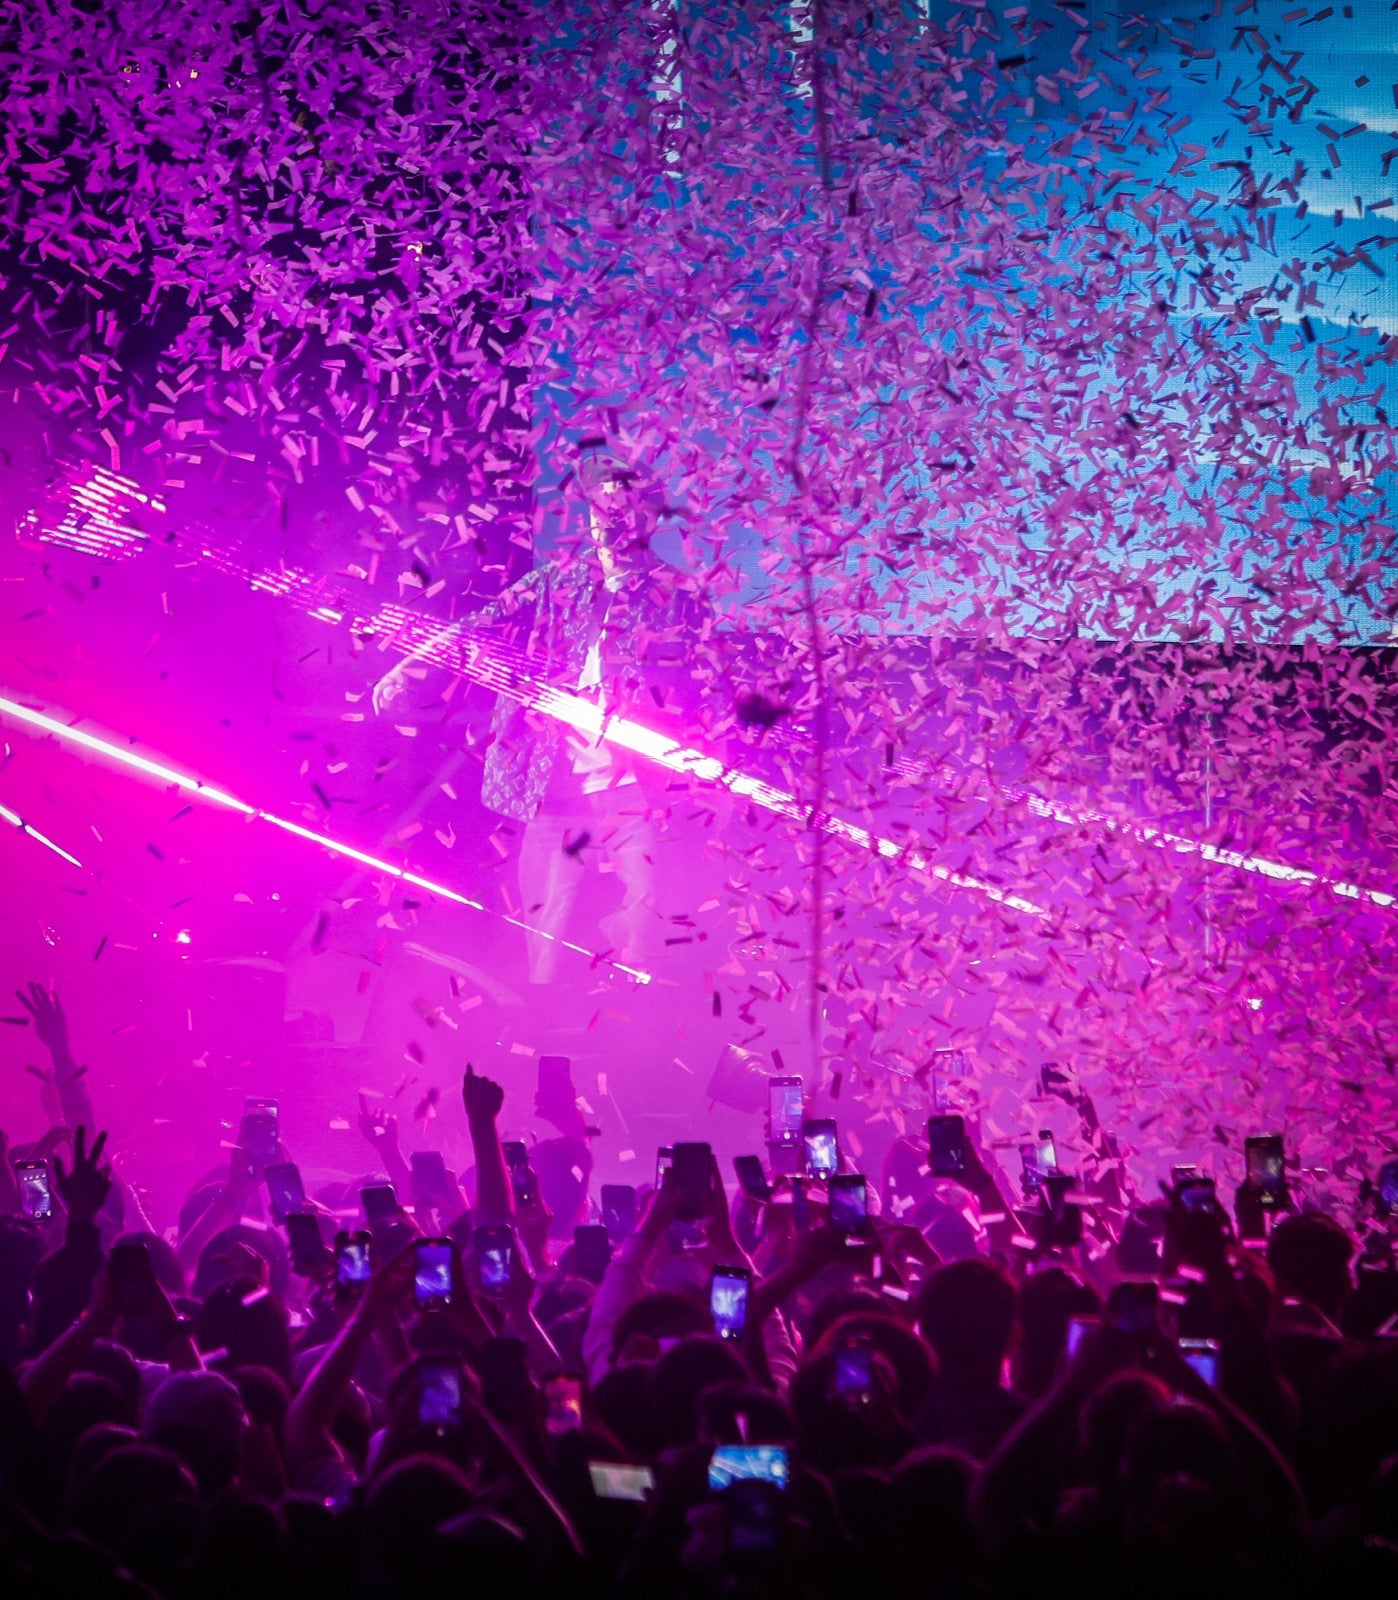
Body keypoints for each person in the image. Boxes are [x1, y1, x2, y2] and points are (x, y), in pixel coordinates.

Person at [372, 451, 716, 984]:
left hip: (629, 782)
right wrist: (409, 667)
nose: (612, 528)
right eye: (603, 517)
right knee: (546, 920)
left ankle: (629, 994)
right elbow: (478, 623)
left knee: (647, 903)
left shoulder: (678, 594)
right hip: (551, 780)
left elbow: (704, 684)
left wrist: (707, 763)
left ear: (646, 521)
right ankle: (543, 1006)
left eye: (624, 515)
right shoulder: (558, 582)